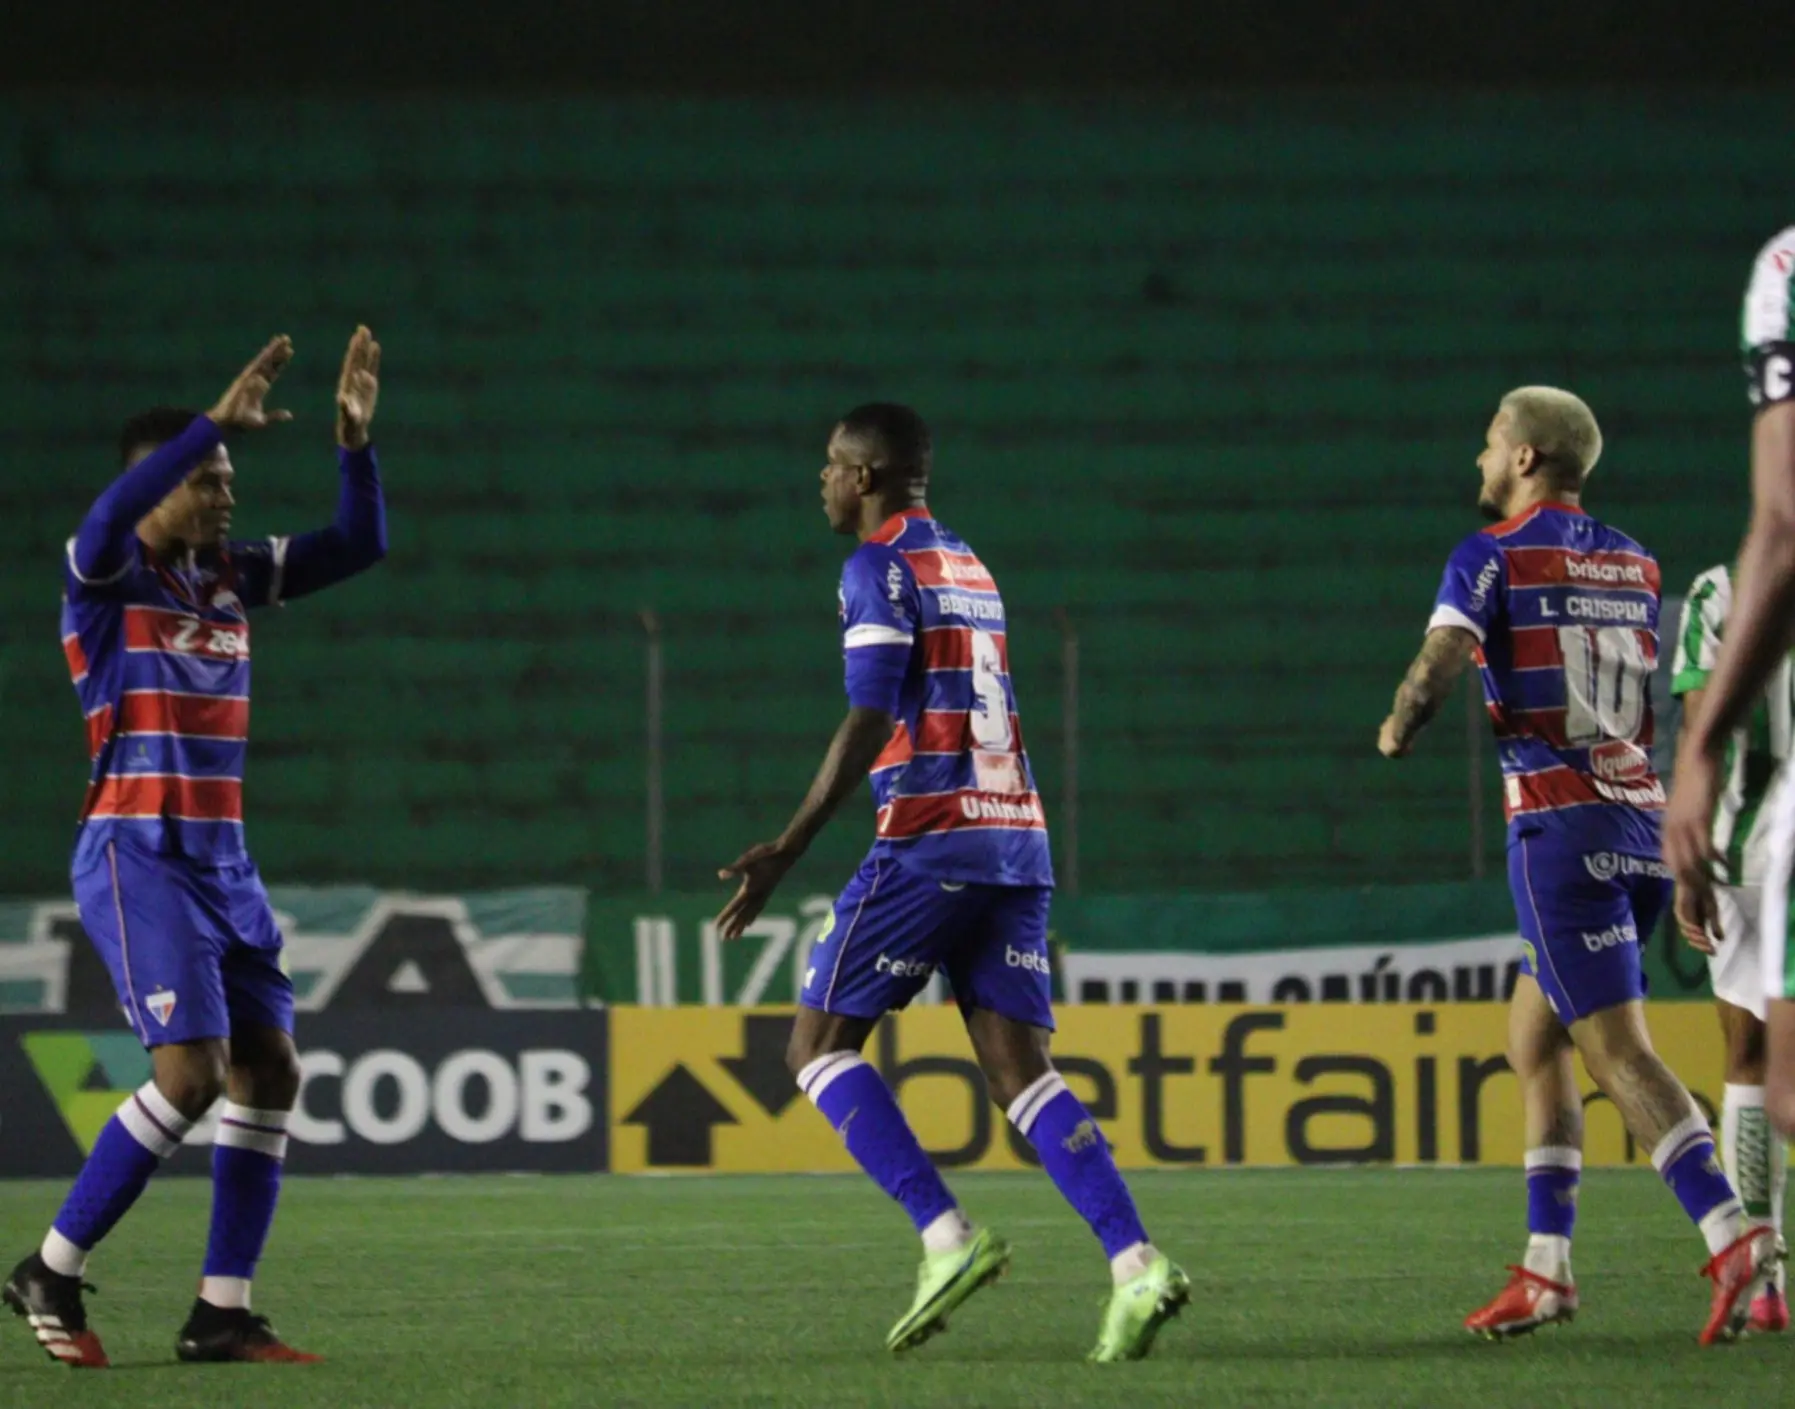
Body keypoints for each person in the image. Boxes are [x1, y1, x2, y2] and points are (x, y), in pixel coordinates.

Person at [716, 403, 1188, 1362]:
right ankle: (1136, 1264)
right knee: (1022, 1074)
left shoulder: (876, 567)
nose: (822, 479)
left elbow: (865, 715)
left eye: (832, 464)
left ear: (870, 474)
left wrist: (789, 845)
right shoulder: (967, 564)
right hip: (1016, 837)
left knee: (812, 1044)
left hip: (934, 835)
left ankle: (946, 1236)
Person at [4, 329, 387, 1367]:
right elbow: (98, 520)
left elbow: (358, 546)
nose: (225, 494)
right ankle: (52, 1263)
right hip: (137, 851)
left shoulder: (226, 577)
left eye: (227, 479)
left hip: (224, 858)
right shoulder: (102, 580)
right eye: (208, 479)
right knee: (189, 1074)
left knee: (269, 1068)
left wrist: (356, 446)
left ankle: (221, 1310)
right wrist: (211, 420)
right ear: (152, 490)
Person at [1377, 386, 1776, 1345]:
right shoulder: (1634, 562)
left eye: (1487, 445)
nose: (1478, 461)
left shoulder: (1489, 555)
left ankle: (1735, 1238)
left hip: (1560, 834)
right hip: (1636, 824)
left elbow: (1440, 657)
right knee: (1536, 1038)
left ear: (1523, 457)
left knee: (1615, 1047)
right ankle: (1547, 1269)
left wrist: (1397, 725)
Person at [1666, 227, 1795, 1150]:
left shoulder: (1785, 269)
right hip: (1759, 839)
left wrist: (1700, 752)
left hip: (1756, 833)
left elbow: (1783, 524)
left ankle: (1756, 1264)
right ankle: (1758, 1267)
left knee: (1769, 1079)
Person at [1669, 563, 1791, 1332]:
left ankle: (1767, 1275)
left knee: (1747, 1056)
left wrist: (1690, 857)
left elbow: (1699, 725)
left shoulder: (1720, 590)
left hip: (1749, 850)